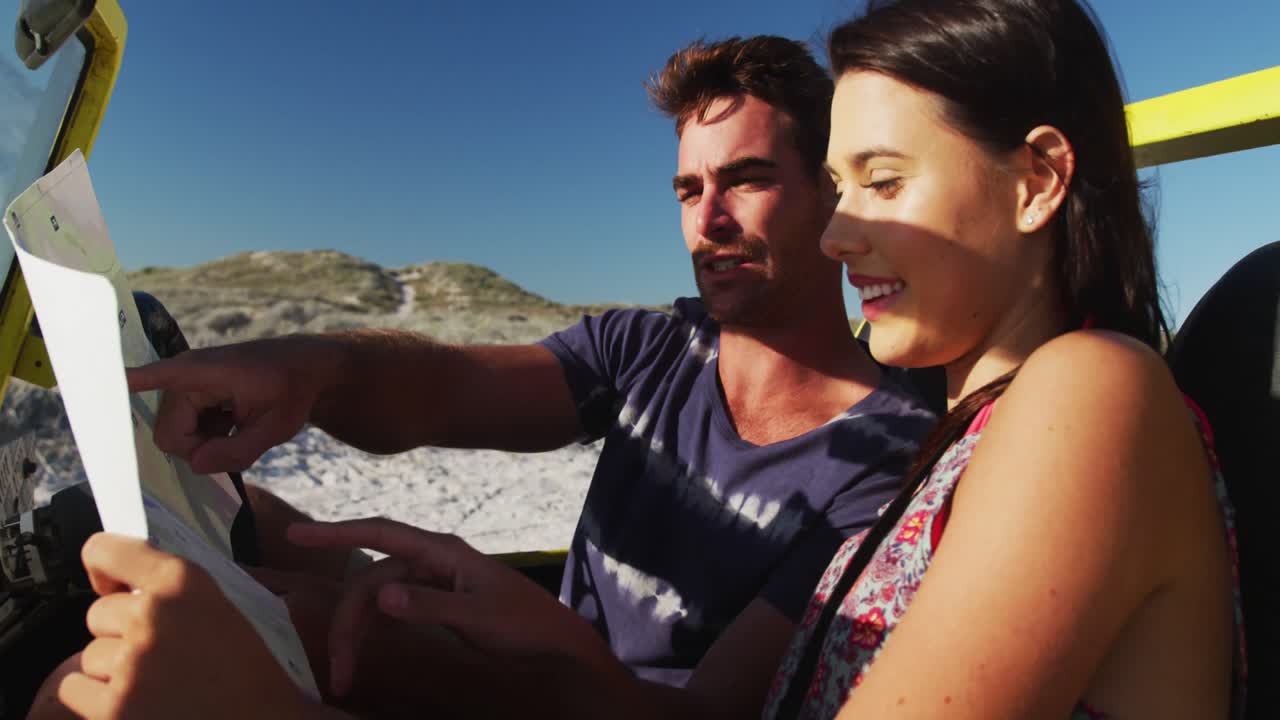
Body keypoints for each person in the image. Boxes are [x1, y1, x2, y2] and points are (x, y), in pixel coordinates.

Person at [36, 36, 936, 719]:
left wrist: (548, 645)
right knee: (259, 528)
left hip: (588, 696)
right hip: (534, 648)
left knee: (164, 657)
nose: (710, 220)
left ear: (830, 191)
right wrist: (314, 368)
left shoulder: (888, 454)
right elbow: (447, 388)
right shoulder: (652, 348)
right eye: (687, 191)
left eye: (746, 181)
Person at [759, 1, 1246, 718]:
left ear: (1037, 181)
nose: (834, 235)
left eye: (884, 182)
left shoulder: (1089, 391)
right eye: (840, 189)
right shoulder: (971, 430)